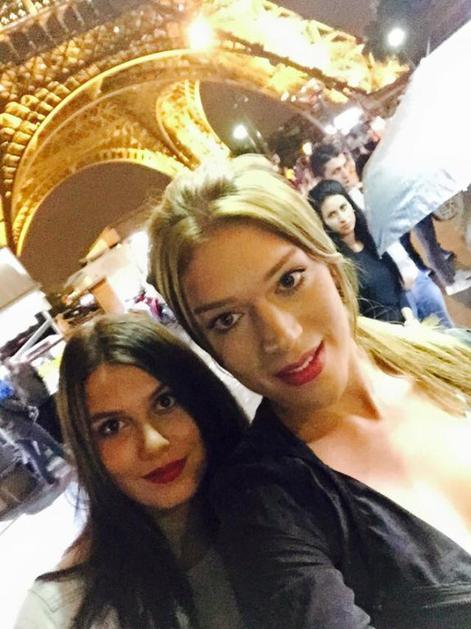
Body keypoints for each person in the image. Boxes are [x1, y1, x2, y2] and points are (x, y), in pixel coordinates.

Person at [147, 155, 471, 629]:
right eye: (227, 319)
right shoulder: (266, 508)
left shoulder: (455, 358)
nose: (280, 336)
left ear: (331, 268)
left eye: (288, 281)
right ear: (211, 348)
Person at [15, 314, 248, 629]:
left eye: (165, 402)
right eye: (112, 427)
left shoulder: (286, 503)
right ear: (87, 449)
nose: (153, 443)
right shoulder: (61, 611)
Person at [309, 142, 454, 327]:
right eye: (336, 171)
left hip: (414, 277)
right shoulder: (340, 219)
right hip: (392, 299)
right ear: (322, 179)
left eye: (345, 165)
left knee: (451, 333)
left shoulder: (366, 194)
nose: (345, 173)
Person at [308, 179, 411, 323]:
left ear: (351, 205)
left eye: (343, 207)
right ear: (323, 223)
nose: (342, 218)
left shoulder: (370, 241)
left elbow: (397, 288)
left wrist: (409, 317)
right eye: (332, 215)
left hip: (408, 323)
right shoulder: (336, 264)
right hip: (380, 334)